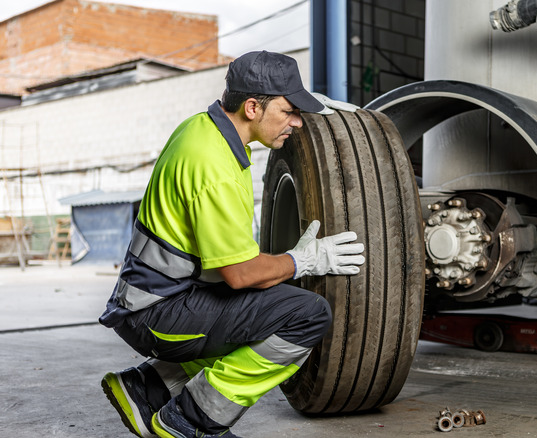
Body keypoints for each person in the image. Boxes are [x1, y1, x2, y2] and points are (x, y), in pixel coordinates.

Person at [98, 51, 365, 438]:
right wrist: (303, 261)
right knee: (305, 314)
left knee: (270, 300)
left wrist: (314, 105)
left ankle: (147, 389)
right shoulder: (214, 167)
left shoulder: (202, 130)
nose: (296, 122)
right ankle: (190, 421)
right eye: (290, 110)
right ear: (253, 107)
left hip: (151, 300)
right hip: (157, 315)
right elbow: (240, 275)